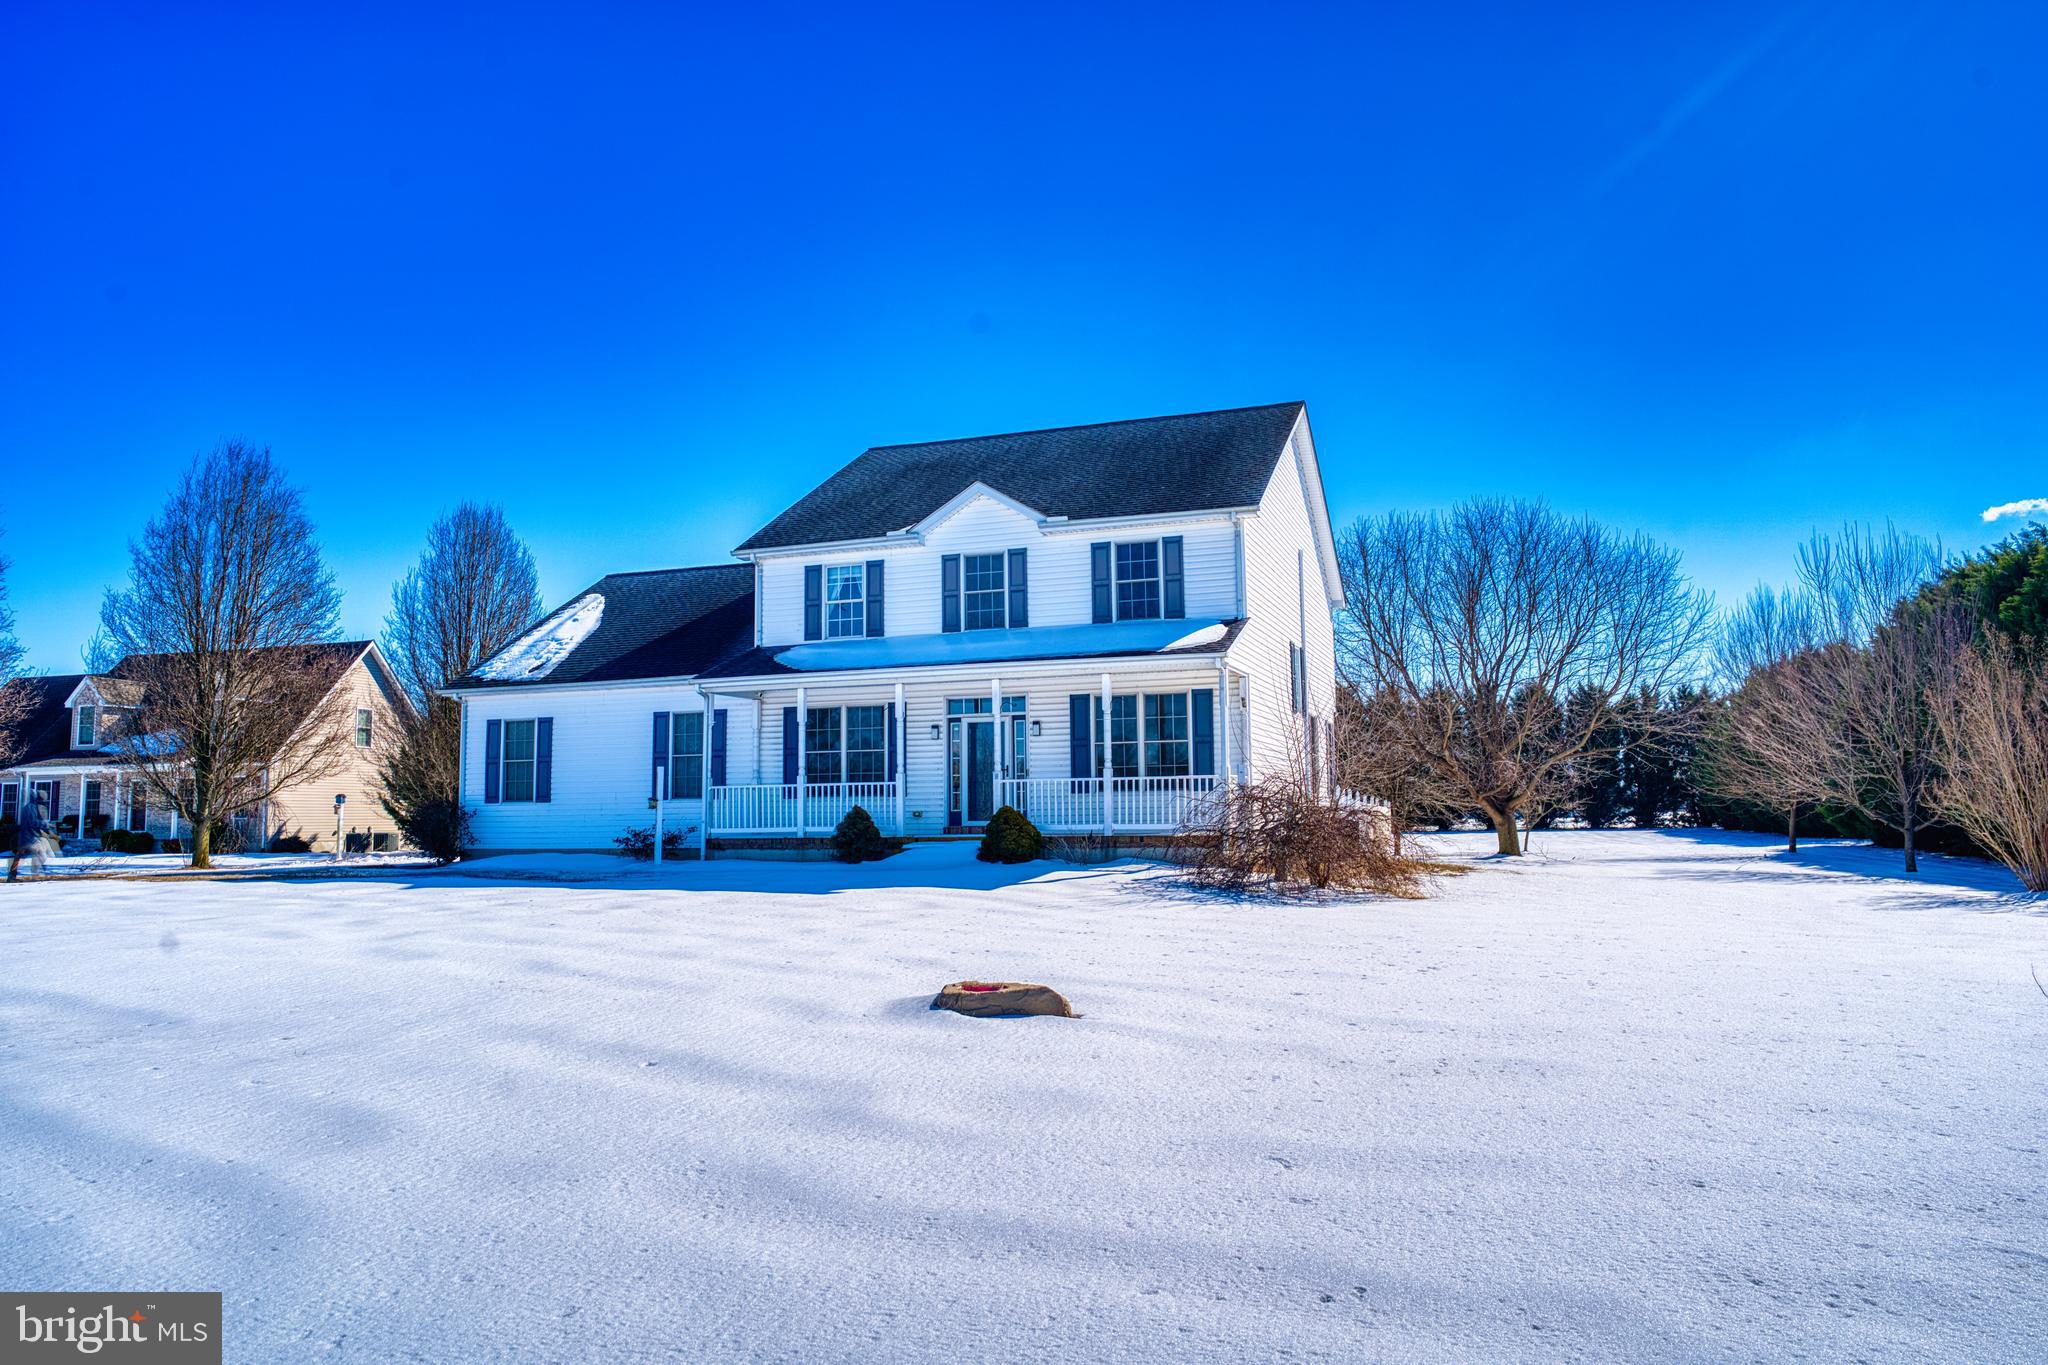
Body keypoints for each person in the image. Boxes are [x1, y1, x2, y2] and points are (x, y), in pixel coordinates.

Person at [8, 791, 52, 881]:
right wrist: (45, 824)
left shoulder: (28, 807)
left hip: (24, 836)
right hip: (31, 837)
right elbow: (33, 822)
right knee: (41, 855)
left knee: (18, 857)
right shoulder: (32, 808)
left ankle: (11, 876)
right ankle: (40, 876)